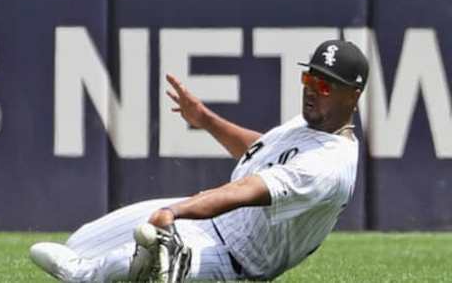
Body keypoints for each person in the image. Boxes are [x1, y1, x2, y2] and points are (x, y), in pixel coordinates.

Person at [30, 39, 369, 282]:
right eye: (309, 78)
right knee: (80, 242)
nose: (312, 89)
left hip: (232, 258)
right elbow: (261, 152)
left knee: (97, 267)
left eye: (325, 85)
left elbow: (246, 190)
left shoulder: (329, 166)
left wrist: (177, 211)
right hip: (210, 224)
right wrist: (206, 119)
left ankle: (91, 276)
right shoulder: (312, 124)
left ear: (352, 96)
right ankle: (146, 259)